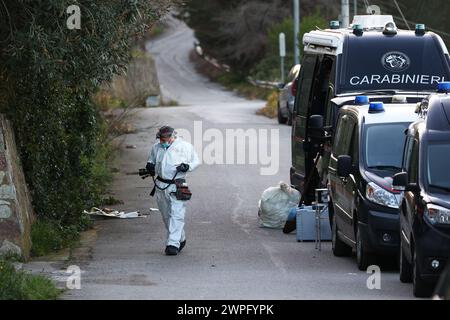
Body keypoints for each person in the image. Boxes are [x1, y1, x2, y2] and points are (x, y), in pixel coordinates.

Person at [146, 126, 199, 256]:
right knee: (166, 216)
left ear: (172, 136)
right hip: (160, 185)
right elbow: (151, 160)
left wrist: (187, 166)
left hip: (177, 184)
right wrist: (150, 166)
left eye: (165, 138)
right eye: (161, 139)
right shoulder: (156, 147)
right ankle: (180, 238)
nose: (163, 141)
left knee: (177, 214)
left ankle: (172, 244)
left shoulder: (185, 147)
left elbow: (196, 161)